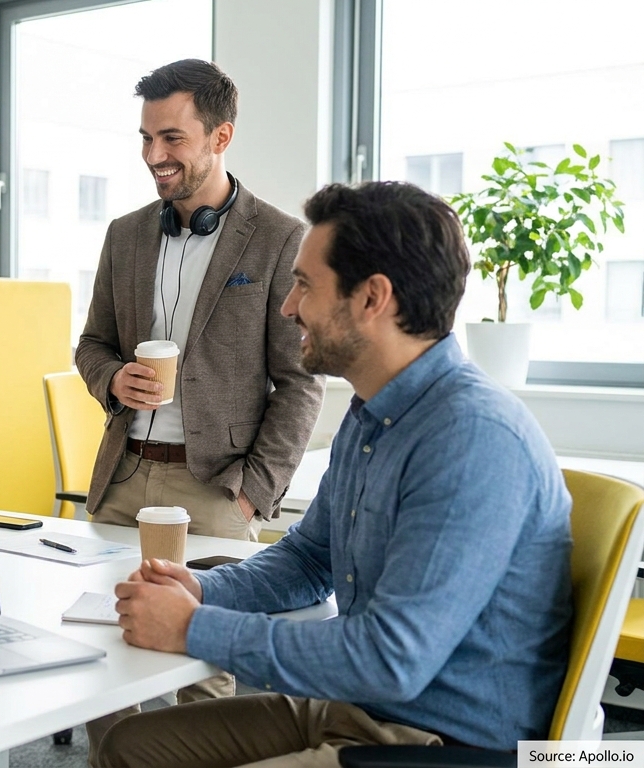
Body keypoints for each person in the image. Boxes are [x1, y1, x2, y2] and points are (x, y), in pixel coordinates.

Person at [100, 181, 572, 766]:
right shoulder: (373, 411)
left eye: (304, 284)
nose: (287, 306)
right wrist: (201, 589)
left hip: (438, 741)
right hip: (358, 707)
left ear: (372, 298)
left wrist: (196, 629)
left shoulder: (470, 438)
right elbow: (308, 558)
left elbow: (390, 659)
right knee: (132, 746)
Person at [77, 58, 322, 541]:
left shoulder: (279, 238)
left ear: (221, 137)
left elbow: (300, 383)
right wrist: (113, 379)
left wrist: (253, 493)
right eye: (147, 138)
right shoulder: (124, 235)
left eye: (172, 138)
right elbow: (92, 344)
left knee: (209, 619)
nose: (153, 155)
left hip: (216, 493)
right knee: (106, 615)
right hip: (120, 482)